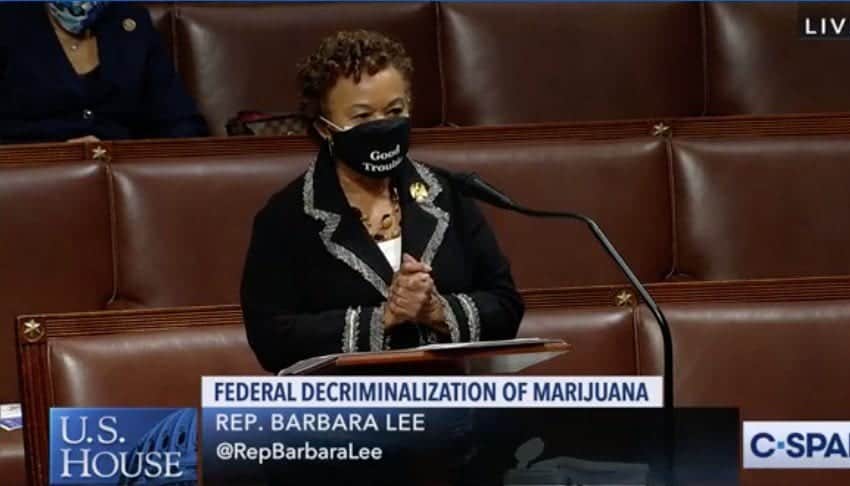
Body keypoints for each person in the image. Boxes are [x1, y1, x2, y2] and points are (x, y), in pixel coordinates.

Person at [240, 30, 523, 485]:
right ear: (323, 128)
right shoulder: (288, 217)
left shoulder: (447, 195)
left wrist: (437, 311)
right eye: (363, 116)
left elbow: (505, 304)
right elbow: (271, 335)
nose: (382, 125)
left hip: (457, 433)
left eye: (394, 112)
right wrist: (382, 318)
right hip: (342, 442)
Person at [0, 2, 207, 143]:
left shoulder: (133, 24)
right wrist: (58, 154)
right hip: (34, 182)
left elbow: (181, 122)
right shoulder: (9, 25)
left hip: (123, 180)